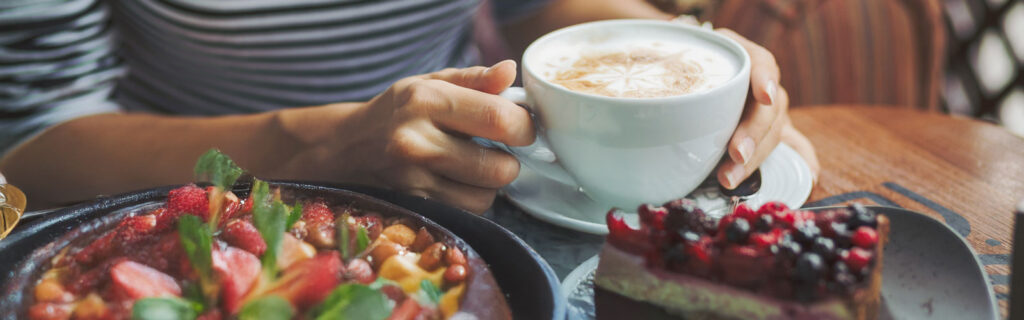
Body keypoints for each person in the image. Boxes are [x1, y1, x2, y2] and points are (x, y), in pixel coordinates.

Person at [0, 0, 818, 213]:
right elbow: (34, 141)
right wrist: (307, 146)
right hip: (190, 206)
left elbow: (540, 12)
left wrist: (700, 62)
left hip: (474, 193)